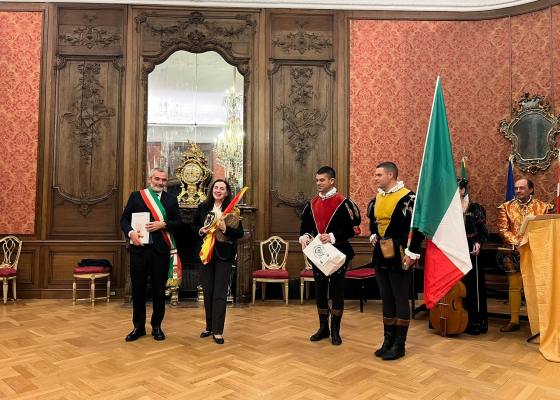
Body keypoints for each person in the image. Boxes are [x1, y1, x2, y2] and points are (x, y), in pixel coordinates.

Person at [367, 162, 423, 361]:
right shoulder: (377, 198)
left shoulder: (409, 198)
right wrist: (374, 234)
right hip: (381, 253)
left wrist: (412, 252)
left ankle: (399, 345)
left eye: (378, 175)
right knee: (386, 298)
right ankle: (387, 341)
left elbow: (418, 228)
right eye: (375, 175)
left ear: (390, 175)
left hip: (400, 253)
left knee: (400, 298)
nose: (375, 178)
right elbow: (373, 222)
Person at [299, 166, 360, 346]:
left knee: (336, 291)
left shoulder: (344, 203)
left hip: (339, 253)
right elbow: (305, 227)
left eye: (322, 180)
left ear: (331, 181)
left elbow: (355, 229)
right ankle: (323, 328)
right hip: (318, 254)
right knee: (319, 291)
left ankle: (335, 331)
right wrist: (304, 236)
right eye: (317, 180)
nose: (318, 183)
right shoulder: (311, 204)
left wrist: (333, 236)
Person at [120, 168, 182, 342]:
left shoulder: (171, 199)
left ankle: (156, 326)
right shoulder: (136, 196)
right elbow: (124, 219)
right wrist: (131, 233)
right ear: (150, 179)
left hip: (160, 252)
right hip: (139, 250)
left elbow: (179, 223)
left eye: (163, 180)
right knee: (138, 290)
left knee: (159, 291)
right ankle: (138, 327)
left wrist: (164, 224)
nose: (160, 182)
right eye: (157, 179)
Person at [497, 178, 553, 332]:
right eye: (516, 188)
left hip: (536, 252)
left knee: (537, 287)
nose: (518, 191)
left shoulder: (543, 207)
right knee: (514, 287)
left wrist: (531, 242)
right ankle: (514, 321)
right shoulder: (505, 207)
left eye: (522, 188)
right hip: (513, 252)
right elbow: (502, 229)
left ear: (531, 189)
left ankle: (538, 323)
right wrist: (518, 242)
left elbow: (546, 228)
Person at [194, 179, 244, 345]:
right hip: (205, 254)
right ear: (212, 190)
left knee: (220, 293)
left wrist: (224, 228)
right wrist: (201, 230)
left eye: (222, 188)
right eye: (216, 187)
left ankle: (218, 331)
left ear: (227, 192)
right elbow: (193, 227)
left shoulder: (233, 210)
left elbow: (239, 233)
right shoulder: (203, 207)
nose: (218, 190)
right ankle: (209, 327)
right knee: (207, 291)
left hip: (224, 255)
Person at [458, 178, 489, 335]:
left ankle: (473, 321)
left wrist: (478, 242)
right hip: (453, 251)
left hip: (471, 251)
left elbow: (483, 231)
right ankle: (453, 319)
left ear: (463, 190)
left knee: (471, 287)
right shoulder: (446, 210)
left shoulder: (474, 208)